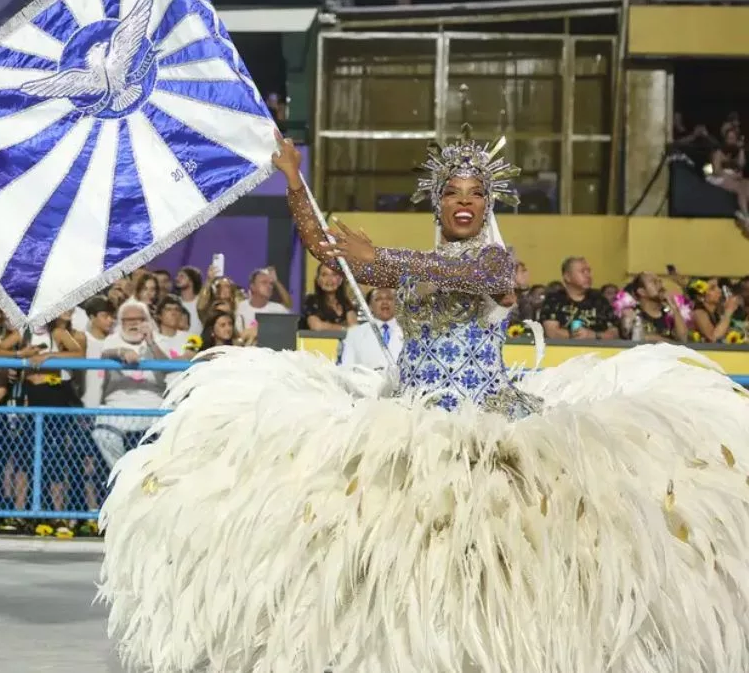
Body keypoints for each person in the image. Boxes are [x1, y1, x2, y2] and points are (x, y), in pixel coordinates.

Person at [99, 126, 749, 673]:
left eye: (475, 194)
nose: (463, 203)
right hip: (405, 413)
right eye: (452, 193)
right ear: (436, 202)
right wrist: (295, 182)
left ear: (487, 203)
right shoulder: (405, 259)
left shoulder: (495, 262)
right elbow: (328, 247)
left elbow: (463, 274)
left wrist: (382, 259)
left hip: (489, 420)